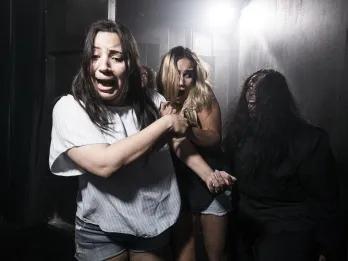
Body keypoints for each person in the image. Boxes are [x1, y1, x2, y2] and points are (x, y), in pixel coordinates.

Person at [49, 20, 234, 261]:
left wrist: (209, 175)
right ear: (86, 63)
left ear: (130, 65)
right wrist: (166, 123)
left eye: (116, 57)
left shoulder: (151, 100)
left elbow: (177, 142)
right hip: (101, 228)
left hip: (152, 220)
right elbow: (105, 164)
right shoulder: (70, 108)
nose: (104, 66)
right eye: (95, 56)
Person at [224, 69, 341, 261]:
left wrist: (326, 247)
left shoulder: (309, 140)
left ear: (274, 99)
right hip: (246, 229)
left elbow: (326, 199)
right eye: (250, 85)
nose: (252, 92)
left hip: (289, 232)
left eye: (259, 88)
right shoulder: (240, 135)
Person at [157, 46, 232, 261]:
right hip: (178, 182)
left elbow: (214, 136)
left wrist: (188, 130)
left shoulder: (202, 95)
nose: (181, 81)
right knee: (185, 253)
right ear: (165, 73)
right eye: (176, 74)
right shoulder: (157, 100)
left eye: (188, 74)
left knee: (215, 255)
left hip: (211, 176)